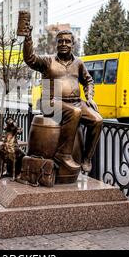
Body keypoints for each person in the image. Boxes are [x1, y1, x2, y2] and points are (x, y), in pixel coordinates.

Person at [23, 28, 103, 174]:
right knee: (75, 112)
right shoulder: (48, 61)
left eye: (67, 41)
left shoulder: (78, 62)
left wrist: (89, 97)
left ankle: (86, 158)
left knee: (97, 120)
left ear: (73, 44)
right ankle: (63, 154)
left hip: (76, 102)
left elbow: (88, 81)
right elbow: (30, 59)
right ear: (56, 44)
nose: (64, 44)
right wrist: (28, 38)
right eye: (60, 41)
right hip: (50, 103)